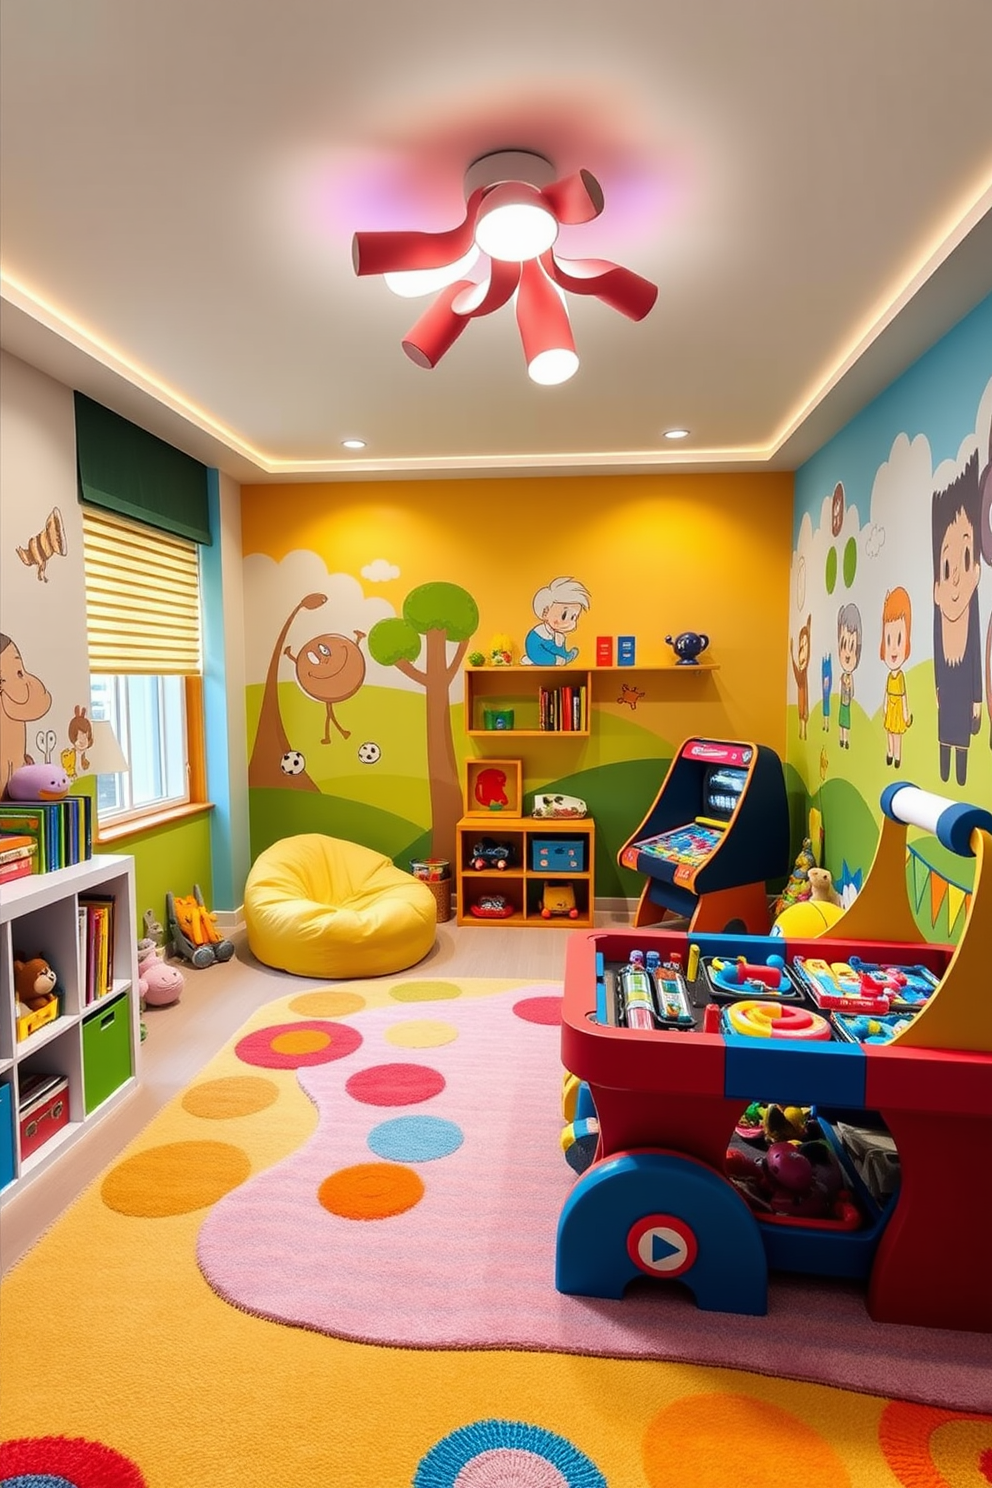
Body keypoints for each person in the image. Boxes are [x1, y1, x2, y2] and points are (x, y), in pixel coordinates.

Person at [932, 454, 982, 786]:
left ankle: (960, 777)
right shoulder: (941, 623)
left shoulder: (971, 623)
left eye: (965, 558)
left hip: (963, 693)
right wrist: (937, 686)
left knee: (961, 737)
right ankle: (945, 770)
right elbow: (938, 653)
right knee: (944, 736)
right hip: (947, 691)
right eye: (947, 568)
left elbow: (977, 658)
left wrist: (977, 699)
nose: (954, 582)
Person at [521, 577, 590, 665]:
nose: (569, 623)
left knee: (560, 646)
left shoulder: (559, 635)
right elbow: (534, 651)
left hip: (556, 659)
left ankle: (565, 657)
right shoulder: (537, 634)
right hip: (540, 656)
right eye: (564, 616)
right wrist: (555, 660)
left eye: (574, 617)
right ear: (545, 612)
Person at [880, 587, 913, 768]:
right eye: (889, 640)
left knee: (897, 732)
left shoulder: (900, 677)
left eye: (899, 640)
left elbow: (904, 696)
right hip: (890, 706)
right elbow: (886, 693)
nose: (893, 649)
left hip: (898, 708)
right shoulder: (889, 677)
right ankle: (890, 752)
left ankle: (898, 755)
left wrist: (906, 713)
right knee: (889, 732)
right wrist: (885, 707)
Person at [836, 603, 862, 749]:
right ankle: (842, 738)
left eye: (852, 647)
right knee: (841, 722)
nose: (847, 653)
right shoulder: (842, 678)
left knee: (846, 722)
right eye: (844, 645)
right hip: (842, 704)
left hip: (847, 704)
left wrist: (850, 694)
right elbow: (840, 688)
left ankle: (846, 740)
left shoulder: (850, 678)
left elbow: (852, 692)